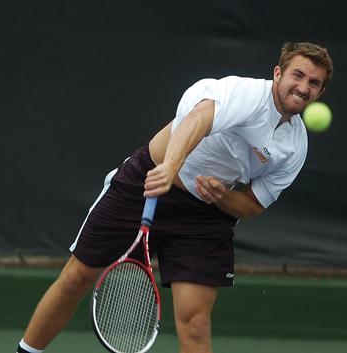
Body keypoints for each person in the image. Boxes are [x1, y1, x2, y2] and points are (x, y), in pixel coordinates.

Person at [17, 41, 333, 353]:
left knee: (195, 323)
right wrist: (170, 167)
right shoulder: (246, 94)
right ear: (278, 73)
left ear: (320, 92)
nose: (303, 87)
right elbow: (199, 118)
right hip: (146, 183)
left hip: (204, 217)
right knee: (77, 278)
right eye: (298, 75)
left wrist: (221, 197)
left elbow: (252, 203)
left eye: (314, 83)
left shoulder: (295, 147)